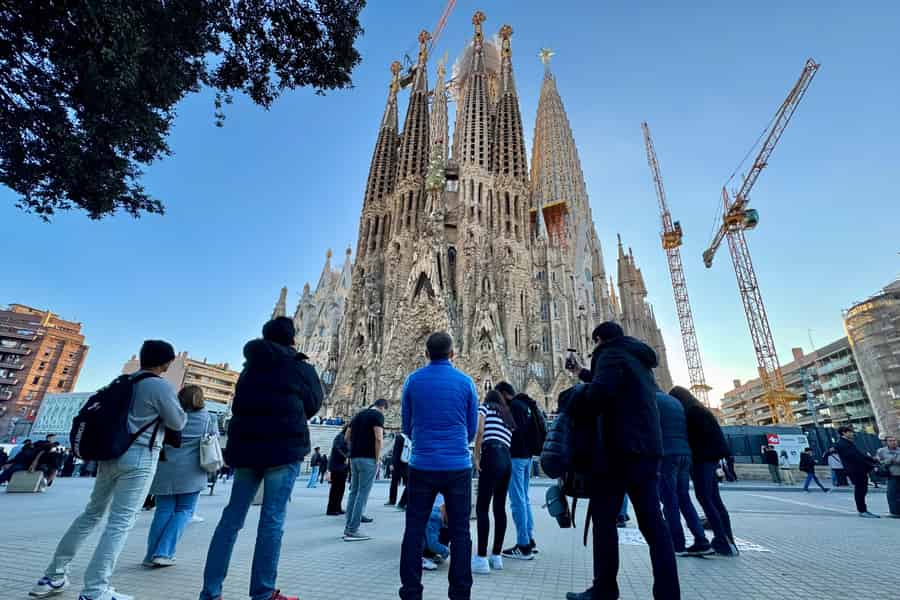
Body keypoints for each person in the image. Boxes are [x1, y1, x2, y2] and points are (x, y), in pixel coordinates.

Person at [30, 340, 187, 600]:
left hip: (110, 455)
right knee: (120, 522)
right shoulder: (159, 386)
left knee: (91, 514)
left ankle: (53, 575)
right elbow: (177, 421)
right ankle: (95, 590)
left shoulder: (122, 382)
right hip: (139, 458)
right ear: (167, 362)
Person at [200, 317, 323, 600]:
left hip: (247, 451)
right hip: (283, 449)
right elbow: (314, 403)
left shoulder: (248, 369)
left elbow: (239, 406)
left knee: (231, 519)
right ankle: (263, 592)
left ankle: (210, 592)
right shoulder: (299, 366)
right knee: (272, 520)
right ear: (292, 339)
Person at [565, 322, 680, 600]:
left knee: (604, 521)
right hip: (646, 450)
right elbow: (613, 387)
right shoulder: (637, 360)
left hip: (618, 452)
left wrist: (573, 398)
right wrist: (581, 373)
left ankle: (604, 589)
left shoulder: (610, 354)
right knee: (653, 524)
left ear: (600, 340)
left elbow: (600, 395)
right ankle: (668, 593)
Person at [399, 331, 479, 600]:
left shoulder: (412, 381)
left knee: (413, 529)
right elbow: (471, 429)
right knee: (460, 532)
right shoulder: (466, 382)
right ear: (452, 354)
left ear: (426, 354)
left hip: (421, 465)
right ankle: (460, 594)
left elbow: (406, 425)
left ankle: (411, 593)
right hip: (457, 466)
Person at [143, 385, 218, 567]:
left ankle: (150, 555)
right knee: (184, 511)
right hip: (191, 471)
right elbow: (212, 439)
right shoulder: (209, 418)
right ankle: (164, 553)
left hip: (164, 469)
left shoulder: (168, 416)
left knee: (163, 511)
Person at [669, 386, 738, 558]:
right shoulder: (700, 410)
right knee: (714, 500)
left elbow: (696, 439)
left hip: (702, 460)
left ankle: (721, 540)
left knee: (705, 498)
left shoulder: (692, 413)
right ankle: (727, 541)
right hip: (710, 459)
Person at [655, 389, 712, 557]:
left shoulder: (653, 400)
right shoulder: (675, 402)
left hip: (667, 455)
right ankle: (702, 541)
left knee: (669, 501)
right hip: (684, 454)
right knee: (684, 499)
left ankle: (677, 544)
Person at [471, 389, 514, 574]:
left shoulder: (485, 407)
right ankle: (496, 556)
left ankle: (481, 558)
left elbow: (480, 430)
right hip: (507, 460)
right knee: (499, 508)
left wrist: (477, 456)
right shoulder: (507, 415)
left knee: (482, 508)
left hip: (492, 454)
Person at [500, 385, 540, 560]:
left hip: (515, 457)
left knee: (517, 501)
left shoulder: (514, 407)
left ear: (503, 394)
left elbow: (512, 432)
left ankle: (523, 545)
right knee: (524, 498)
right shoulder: (526, 405)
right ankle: (529, 540)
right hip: (527, 457)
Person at [343, 398, 387, 541]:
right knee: (363, 493)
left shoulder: (359, 415)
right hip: (368, 458)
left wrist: (354, 448)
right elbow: (378, 438)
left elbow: (346, 436)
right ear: (383, 407)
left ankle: (348, 526)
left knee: (353, 492)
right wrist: (377, 458)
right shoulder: (377, 416)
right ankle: (353, 530)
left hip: (354, 458)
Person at [835, 425, 879, 518]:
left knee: (862, 490)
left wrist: (872, 459)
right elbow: (856, 457)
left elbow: (860, 455)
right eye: (850, 432)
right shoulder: (842, 444)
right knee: (860, 490)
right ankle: (862, 510)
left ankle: (863, 510)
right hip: (855, 470)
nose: (852, 434)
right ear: (844, 433)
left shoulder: (848, 443)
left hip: (859, 469)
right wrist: (871, 463)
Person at [326, 426, 350, 516]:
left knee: (341, 488)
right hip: (337, 466)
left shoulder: (345, 438)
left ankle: (337, 507)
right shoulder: (340, 437)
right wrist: (345, 457)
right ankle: (331, 509)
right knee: (335, 489)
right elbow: (337, 449)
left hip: (342, 467)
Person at [876, 435, 900, 517]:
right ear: (886, 442)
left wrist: (895, 460)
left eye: (895, 440)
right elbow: (878, 462)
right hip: (891, 475)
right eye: (890, 441)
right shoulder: (881, 451)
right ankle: (894, 512)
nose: (893, 442)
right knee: (892, 494)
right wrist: (889, 460)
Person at [387, 433, 409, 509]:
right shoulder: (410, 437)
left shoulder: (399, 437)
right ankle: (404, 502)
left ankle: (392, 500)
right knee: (408, 484)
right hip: (407, 464)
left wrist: (392, 463)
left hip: (397, 464)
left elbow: (395, 452)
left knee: (394, 482)